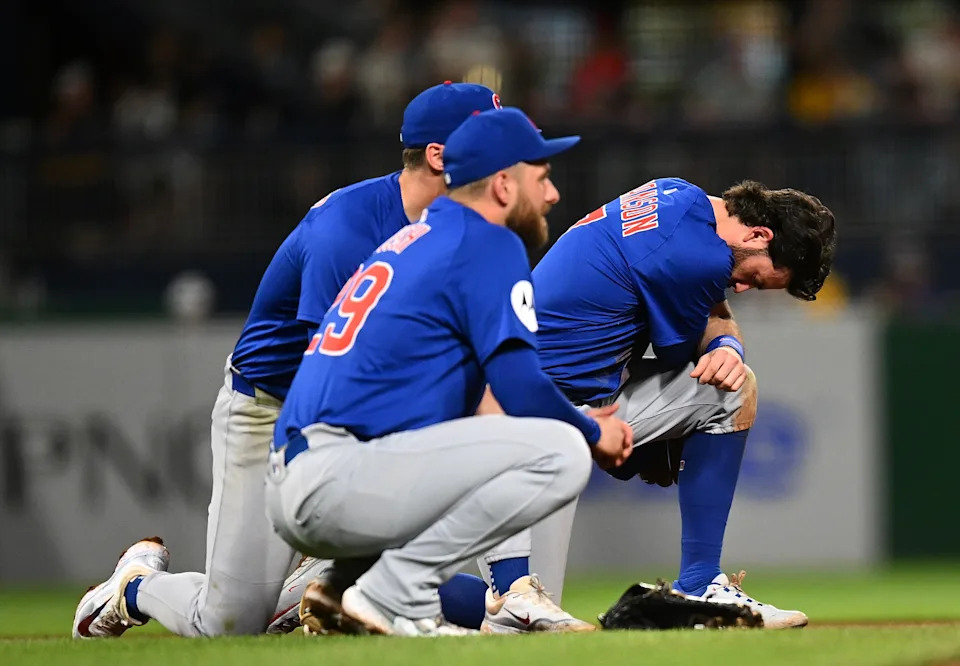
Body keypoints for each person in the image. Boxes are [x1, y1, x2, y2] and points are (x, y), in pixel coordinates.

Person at [72, 81, 505, 639]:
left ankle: (329, 579)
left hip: (365, 417)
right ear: (439, 156)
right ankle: (133, 585)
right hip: (272, 412)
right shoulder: (347, 232)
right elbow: (336, 386)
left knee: (430, 571)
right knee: (227, 625)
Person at [265, 107, 633, 637]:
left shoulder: (423, 237)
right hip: (334, 477)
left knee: (483, 431)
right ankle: (391, 594)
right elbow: (520, 386)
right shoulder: (486, 242)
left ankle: (351, 588)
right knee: (564, 452)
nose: (551, 195)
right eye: (543, 178)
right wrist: (595, 430)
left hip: (301, 478)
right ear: (504, 186)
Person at [473, 177, 836, 629]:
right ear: (759, 235)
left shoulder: (678, 195)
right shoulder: (696, 259)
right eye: (755, 280)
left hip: (544, 397)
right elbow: (703, 333)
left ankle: (699, 581)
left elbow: (713, 319)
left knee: (527, 609)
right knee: (522, 614)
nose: (740, 289)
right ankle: (395, 599)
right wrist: (657, 447)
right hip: (530, 415)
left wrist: (728, 348)